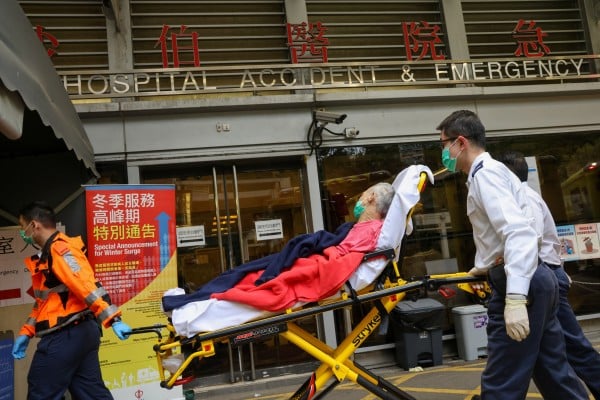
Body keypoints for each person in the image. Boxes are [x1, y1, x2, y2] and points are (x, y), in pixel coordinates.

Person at [436, 110, 587, 400]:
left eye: (444, 145)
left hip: (521, 284)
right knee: (555, 375)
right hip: (536, 279)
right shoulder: (494, 172)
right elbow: (518, 229)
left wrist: (515, 298)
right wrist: (482, 265)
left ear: (461, 142)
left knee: (501, 383)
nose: (443, 152)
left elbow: (518, 232)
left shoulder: (486, 177)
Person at [500, 151, 600, 399]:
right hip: (547, 276)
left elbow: (527, 244)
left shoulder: (523, 197)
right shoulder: (525, 196)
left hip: (543, 277)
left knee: (573, 348)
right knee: (551, 354)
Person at [12, 201, 132, 400]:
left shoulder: (60, 251)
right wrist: (27, 331)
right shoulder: (49, 255)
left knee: (42, 391)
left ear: (34, 225)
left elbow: (86, 286)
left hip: (65, 336)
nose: (21, 232)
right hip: (79, 333)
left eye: (21, 226)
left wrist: (114, 319)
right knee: (90, 394)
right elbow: (44, 302)